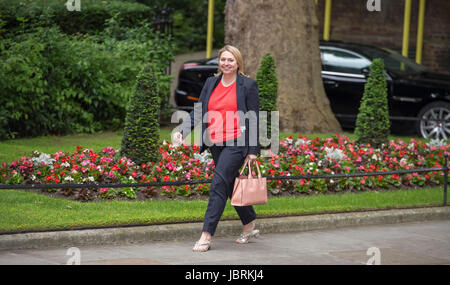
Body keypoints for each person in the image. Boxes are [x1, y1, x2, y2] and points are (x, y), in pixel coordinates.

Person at [172, 45, 261, 252]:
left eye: (231, 60)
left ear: (238, 63)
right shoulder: (211, 83)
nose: (226, 63)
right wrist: (182, 131)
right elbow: (198, 111)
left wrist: (253, 151)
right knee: (229, 185)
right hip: (215, 142)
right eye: (223, 60)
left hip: (238, 143)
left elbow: (255, 120)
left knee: (218, 185)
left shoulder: (247, 86)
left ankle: (206, 235)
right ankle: (249, 224)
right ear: (219, 62)